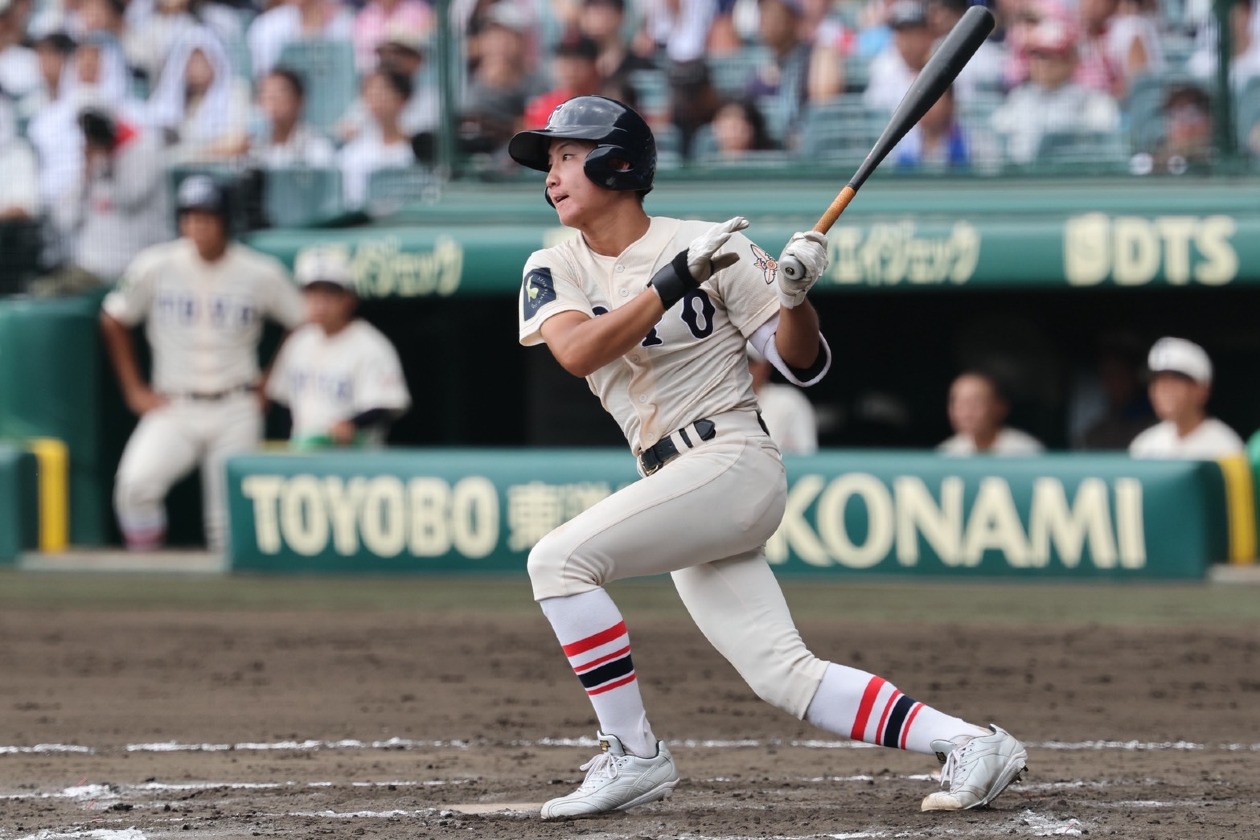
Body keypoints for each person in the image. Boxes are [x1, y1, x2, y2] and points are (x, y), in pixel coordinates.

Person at [508, 94, 1028, 820]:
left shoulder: (711, 245)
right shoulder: (554, 264)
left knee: (557, 562)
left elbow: (801, 364)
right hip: (673, 480)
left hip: (730, 459)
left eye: (568, 156)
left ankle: (633, 755)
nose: (552, 175)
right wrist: (672, 284)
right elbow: (577, 352)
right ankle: (970, 741)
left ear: (616, 164)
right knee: (782, 674)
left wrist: (793, 296)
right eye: (552, 161)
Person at [99, 175, 305, 551]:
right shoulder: (155, 264)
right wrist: (133, 390)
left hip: (236, 404)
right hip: (173, 404)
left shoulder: (260, 271)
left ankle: (228, 610)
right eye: (190, 217)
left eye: (207, 217)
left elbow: (302, 321)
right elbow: (113, 318)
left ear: (226, 221)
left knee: (226, 521)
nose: (198, 226)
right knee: (135, 487)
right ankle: (149, 583)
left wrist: (271, 382)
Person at [266, 245, 411, 450]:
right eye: (313, 295)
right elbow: (283, 403)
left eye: (329, 296)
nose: (320, 304)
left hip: (353, 460)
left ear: (349, 299)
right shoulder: (298, 342)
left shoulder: (371, 345)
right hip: (303, 455)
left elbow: (384, 406)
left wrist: (352, 424)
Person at [35, 103, 171, 297]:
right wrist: (85, 176)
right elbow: (64, 220)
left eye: (97, 129)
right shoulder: (92, 167)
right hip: (89, 268)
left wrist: (107, 160)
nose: (92, 138)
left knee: (48, 294)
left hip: (132, 266)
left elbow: (129, 198)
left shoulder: (143, 150)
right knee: (37, 293)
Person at [989, 12, 1120, 165]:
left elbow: (1106, 151)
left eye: (1050, 55)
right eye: (1036, 55)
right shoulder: (1018, 99)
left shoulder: (1093, 101)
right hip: (1024, 181)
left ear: (1072, 60)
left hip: (1072, 180)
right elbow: (998, 143)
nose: (1042, 64)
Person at [1129, 337, 1245, 459]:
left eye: (1174, 381)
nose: (1163, 390)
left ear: (1202, 390)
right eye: (1157, 381)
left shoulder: (1227, 448)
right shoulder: (1144, 445)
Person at [938, 370, 1044, 455]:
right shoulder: (947, 453)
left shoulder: (1026, 451)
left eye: (975, 403)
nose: (966, 413)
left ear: (1000, 407)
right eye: (958, 403)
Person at [747, 342, 817, 454]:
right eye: (737, 363)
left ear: (766, 367)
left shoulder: (788, 401)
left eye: (749, 362)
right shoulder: (715, 402)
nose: (743, 369)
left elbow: (806, 457)